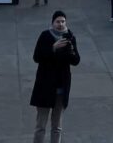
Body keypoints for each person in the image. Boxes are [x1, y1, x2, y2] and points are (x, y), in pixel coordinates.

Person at [30, 10, 81, 143]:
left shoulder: (70, 37)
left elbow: (76, 61)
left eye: (63, 21)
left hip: (61, 88)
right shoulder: (45, 36)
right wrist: (53, 48)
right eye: (58, 21)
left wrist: (70, 50)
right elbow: (37, 57)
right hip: (45, 87)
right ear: (52, 23)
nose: (60, 24)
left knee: (57, 126)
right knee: (40, 125)